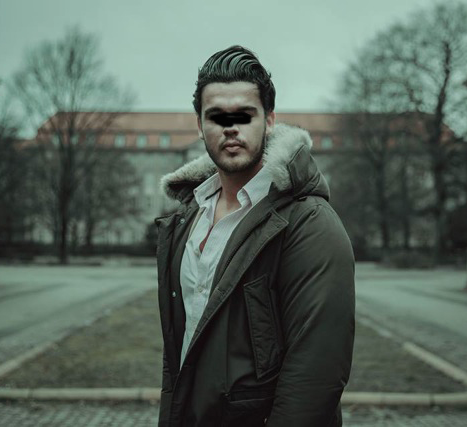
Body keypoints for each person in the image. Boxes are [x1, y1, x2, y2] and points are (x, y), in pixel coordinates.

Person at [155, 45, 355, 427]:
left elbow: (315, 380)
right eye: (217, 116)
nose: (231, 127)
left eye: (244, 115)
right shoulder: (187, 218)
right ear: (199, 125)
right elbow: (179, 356)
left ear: (270, 120)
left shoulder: (309, 223)